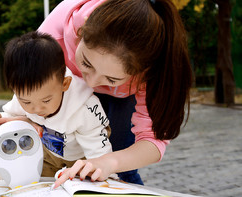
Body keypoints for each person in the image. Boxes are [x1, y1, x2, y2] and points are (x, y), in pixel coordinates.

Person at [36, 0, 193, 187]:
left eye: (111, 79)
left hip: (123, 97)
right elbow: (30, 86)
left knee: (118, 164)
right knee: (55, 154)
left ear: (143, 71)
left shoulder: (154, 72)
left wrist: (111, 162)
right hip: (66, 88)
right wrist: (22, 117)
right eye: (87, 63)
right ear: (82, 29)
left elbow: (153, 139)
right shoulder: (51, 37)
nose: (91, 83)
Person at [0, 31, 112, 176]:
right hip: (47, 156)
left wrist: (102, 173)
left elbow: (98, 152)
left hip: (80, 158)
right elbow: (12, 116)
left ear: (64, 84)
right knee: (38, 184)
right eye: (26, 101)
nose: (36, 108)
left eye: (46, 100)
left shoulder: (85, 109)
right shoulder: (26, 96)